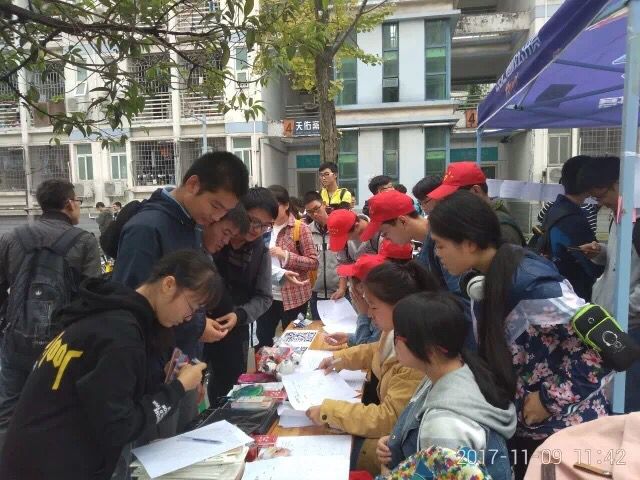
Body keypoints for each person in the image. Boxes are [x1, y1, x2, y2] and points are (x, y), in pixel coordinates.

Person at [428, 190, 611, 480]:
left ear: (469, 243)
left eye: (440, 245)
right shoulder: (488, 278)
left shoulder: (532, 286)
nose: (437, 254)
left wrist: (548, 401)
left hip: (562, 433)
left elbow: (609, 347)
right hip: (528, 427)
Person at [0, 250, 220, 480]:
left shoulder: (113, 314)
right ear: (168, 285)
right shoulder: (120, 335)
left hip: (37, 454)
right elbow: (119, 427)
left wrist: (162, 380)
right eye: (192, 307)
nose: (189, 318)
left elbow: (107, 396)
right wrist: (178, 388)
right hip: (48, 465)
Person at [111, 152, 248, 440]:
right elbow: (130, 309)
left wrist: (193, 368)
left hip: (180, 366)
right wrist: (197, 326)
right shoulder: (147, 228)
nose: (216, 217)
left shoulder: (189, 227)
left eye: (224, 212)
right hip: (153, 378)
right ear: (193, 184)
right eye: (215, 206)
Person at [306, 260, 440, 475]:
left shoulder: (414, 356)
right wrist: (339, 359)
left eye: (374, 306)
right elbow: (375, 350)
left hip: (394, 451)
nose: (368, 314)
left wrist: (329, 411)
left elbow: (388, 418)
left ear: (400, 306)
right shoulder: (394, 332)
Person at [0, 179, 101, 445]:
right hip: (63, 346)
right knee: (60, 413)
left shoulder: (11, 238)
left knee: (9, 414)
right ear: (69, 204)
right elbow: (93, 298)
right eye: (77, 201)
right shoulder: (84, 241)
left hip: (16, 341)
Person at [376, 292, 516, 479]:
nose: (394, 342)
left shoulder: (444, 426)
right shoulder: (458, 369)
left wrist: (387, 473)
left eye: (398, 336)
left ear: (430, 349)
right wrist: (402, 441)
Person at [578, 156, 640, 414]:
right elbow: (621, 261)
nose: (601, 203)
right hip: (615, 319)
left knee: (628, 399)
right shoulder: (620, 215)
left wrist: (626, 308)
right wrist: (600, 252)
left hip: (631, 325)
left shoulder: (637, 221)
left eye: (602, 195)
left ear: (619, 184)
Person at [203, 188, 276, 402]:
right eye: (253, 221)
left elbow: (264, 297)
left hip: (234, 329)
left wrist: (239, 315)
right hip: (198, 324)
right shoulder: (214, 238)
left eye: (266, 225)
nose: (257, 230)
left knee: (228, 388)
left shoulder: (260, 252)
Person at [255, 185, 318, 349]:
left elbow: (313, 262)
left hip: (294, 297)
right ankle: (266, 365)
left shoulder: (300, 228)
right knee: (263, 339)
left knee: (293, 342)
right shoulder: (262, 228)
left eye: (275, 206)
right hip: (267, 295)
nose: (270, 210)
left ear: (286, 205)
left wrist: (285, 255)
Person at [535, 155, 602, 301]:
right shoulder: (574, 221)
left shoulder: (555, 209)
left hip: (556, 291)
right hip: (574, 296)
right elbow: (594, 266)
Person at [427, 162, 526, 246]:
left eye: (453, 197)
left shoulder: (501, 228)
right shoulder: (477, 220)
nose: (449, 203)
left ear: (476, 191)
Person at [324, 254, 387, 348]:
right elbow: (369, 340)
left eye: (350, 285)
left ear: (361, 287)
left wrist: (363, 315)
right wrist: (348, 338)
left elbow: (364, 349)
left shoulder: (381, 315)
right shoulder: (377, 307)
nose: (350, 290)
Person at [303, 191, 343, 319]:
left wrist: (344, 287)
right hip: (316, 294)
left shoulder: (340, 228)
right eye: (310, 212)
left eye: (316, 209)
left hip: (340, 291)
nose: (314, 214)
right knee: (319, 328)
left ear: (324, 204)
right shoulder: (307, 232)